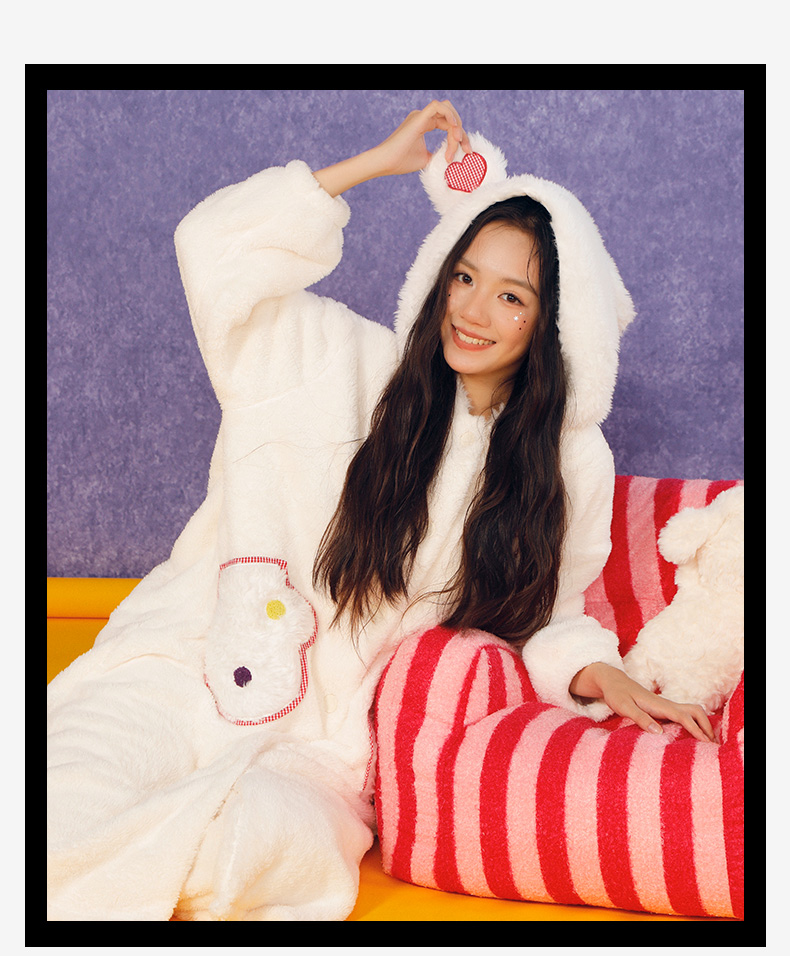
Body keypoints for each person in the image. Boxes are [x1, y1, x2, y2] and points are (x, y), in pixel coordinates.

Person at [47, 101, 714, 922]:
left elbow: (547, 617)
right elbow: (212, 251)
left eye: (512, 297)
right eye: (464, 277)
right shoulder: (334, 359)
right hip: (181, 670)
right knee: (58, 807)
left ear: (554, 325)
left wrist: (607, 678)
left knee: (259, 855)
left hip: (323, 751)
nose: (472, 311)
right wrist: (371, 165)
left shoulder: (568, 468)